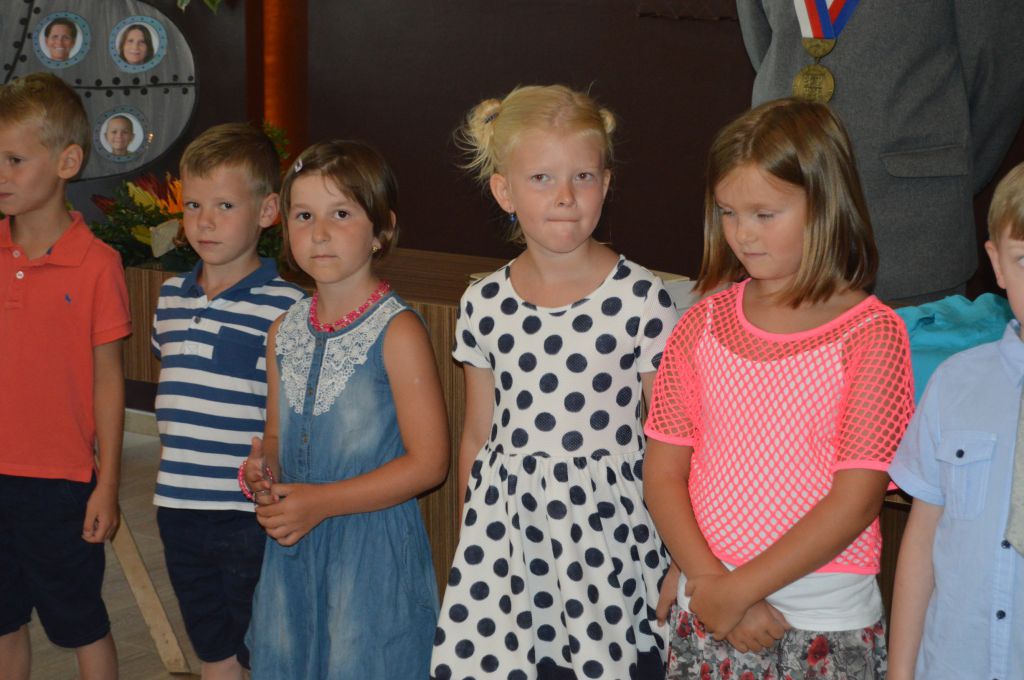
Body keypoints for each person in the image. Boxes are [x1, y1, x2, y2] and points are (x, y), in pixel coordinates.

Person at [643, 98, 915, 680]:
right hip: (709, 602)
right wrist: (710, 580)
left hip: (824, 617)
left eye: (765, 214)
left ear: (825, 206)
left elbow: (856, 500)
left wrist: (737, 589)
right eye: (728, 212)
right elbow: (663, 474)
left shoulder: (872, 334)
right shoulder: (700, 324)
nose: (743, 234)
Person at [430, 84, 679, 679]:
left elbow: (671, 439)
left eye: (583, 177)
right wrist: (473, 541)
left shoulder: (642, 298)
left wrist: (682, 556)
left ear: (606, 185)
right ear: (505, 192)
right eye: (542, 178)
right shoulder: (483, 303)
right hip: (511, 541)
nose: (565, 196)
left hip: (611, 540)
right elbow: (478, 436)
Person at [242, 139, 449, 679]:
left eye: (341, 214)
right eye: (303, 215)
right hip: (293, 545)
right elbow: (274, 436)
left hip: (370, 553)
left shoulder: (397, 332)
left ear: (382, 230)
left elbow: (430, 463)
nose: (319, 232)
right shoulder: (282, 330)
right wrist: (263, 470)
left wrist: (322, 501)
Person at [737, 2, 1024, 303]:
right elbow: (764, 43)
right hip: (780, 206)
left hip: (907, 227)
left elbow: (998, 67)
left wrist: (948, 168)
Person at [151, 123, 306, 680]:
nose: (205, 221)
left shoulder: (288, 306)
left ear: (266, 211)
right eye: (193, 205)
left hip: (247, 512)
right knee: (210, 644)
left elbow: (295, 415)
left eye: (224, 205)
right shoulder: (170, 297)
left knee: (260, 645)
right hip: (177, 504)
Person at [0, 72, 130, 680]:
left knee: (82, 623)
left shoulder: (99, 265)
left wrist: (108, 483)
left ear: (67, 162)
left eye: (14, 159)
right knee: (4, 624)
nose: (1, 173)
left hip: (62, 483)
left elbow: (109, 380)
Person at [888, 162, 1024, 680]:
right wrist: (900, 672)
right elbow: (923, 540)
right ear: (997, 265)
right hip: (955, 663)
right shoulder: (955, 383)